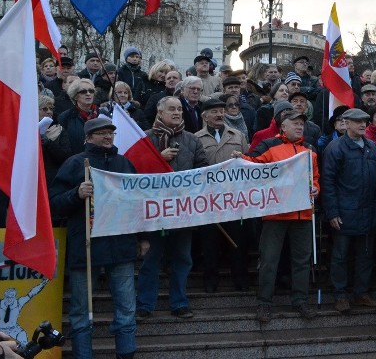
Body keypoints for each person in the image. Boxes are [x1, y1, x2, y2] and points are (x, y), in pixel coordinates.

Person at [49, 118, 138, 359]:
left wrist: (143, 237)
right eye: (101, 133)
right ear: (88, 138)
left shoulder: (124, 164)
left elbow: (138, 203)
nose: (108, 137)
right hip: (85, 247)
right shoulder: (75, 164)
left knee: (127, 308)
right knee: (81, 311)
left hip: (121, 245)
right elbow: (54, 204)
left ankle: (126, 353)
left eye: (110, 132)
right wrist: (76, 194)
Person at [241, 110, 320, 321]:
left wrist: (316, 188)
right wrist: (240, 160)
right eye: (294, 123)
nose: (299, 126)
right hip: (275, 214)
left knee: (302, 261)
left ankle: (301, 301)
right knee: (269, 260)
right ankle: (264, 302)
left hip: (302, 214)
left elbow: (315, 178)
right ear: (283, 127)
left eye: (301, 123)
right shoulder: (270, 146)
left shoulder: (309, 151)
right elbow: (252, 167)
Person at [137, 97, 208, 320]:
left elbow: (203, 170)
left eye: (179, 109)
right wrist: (158, 158)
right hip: (154, 212)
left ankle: (179, 302)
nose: (177, 112)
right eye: (171, 109)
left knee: (182, 259)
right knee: (151, 260)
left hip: (183, 213)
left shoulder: (192, 140)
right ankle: (145, 304)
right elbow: (133, 170)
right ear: (160, 112)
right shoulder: (145, 139)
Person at [321, 108, 376, 313]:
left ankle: (362, 293)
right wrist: (332, 212)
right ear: (346, 123)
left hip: (368, 211)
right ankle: (340, 295)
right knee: (340, 255)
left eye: (365, 122)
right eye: (358, 121)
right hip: (344, 212)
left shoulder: (372, 147)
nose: (362, 125)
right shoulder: (335, 148)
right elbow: (328, 182)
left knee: (365, 255)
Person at [194, 98, 251, 293]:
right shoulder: (196, 138)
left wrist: (242, 158)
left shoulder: (238, 135)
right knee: (209, 242)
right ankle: (210, 279)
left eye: (221, 110)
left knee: (238, 240)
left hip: (234, 197)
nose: (219, 114)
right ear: (204, 116)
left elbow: (250, 162)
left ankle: (240, 278)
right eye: (214, 112)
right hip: (208, 199)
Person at [57, 78, 99, 155]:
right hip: (77, 160)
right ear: (75, 96)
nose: (88, 94)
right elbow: (63, 146)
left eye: (91, 91)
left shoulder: (103, 115)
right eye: (83, 91)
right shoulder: (65, 117)